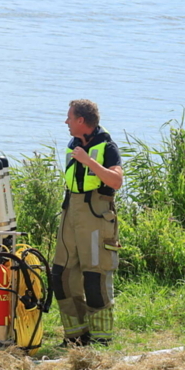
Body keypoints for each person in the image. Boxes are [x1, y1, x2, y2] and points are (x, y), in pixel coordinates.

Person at [52, 99, 124, 346]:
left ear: (81, 120)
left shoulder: (108, 146)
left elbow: (116, 182)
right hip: (70, 211)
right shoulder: (74, 143)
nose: (66, 122)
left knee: (95, 276)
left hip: (96, 214)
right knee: (61, 274)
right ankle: (75, 336)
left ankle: (101, 339)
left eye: (69, 117)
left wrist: (88, 161)